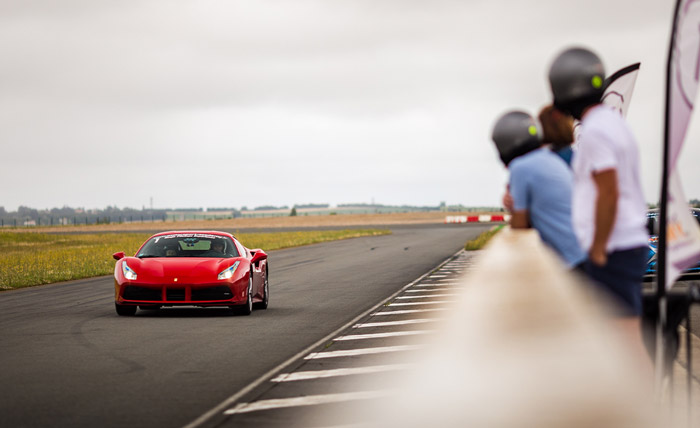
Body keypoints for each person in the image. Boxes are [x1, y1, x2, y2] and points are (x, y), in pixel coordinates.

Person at [548, 47, 650, 366]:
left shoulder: (593, 131)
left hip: (615, 247)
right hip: (627, 242)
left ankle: (644, 411)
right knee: (625, 339)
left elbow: (609, 192)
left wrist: (598, 248)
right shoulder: (613, 122)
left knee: (624, 343)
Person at [492, 110, 586, 269]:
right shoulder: (550, 158)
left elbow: (519, 226)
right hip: (583, 252)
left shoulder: (521, 167)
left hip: (570, 260)